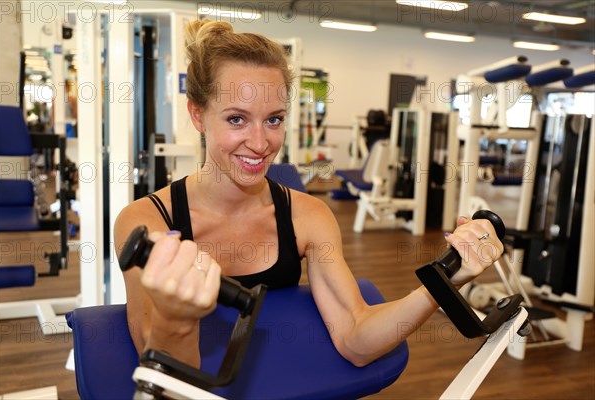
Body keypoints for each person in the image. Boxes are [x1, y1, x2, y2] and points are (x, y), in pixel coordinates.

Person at [114, 19, 503, 370]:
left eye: (274, 119)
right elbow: (163, 381)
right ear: (198, 115)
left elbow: (355, 338)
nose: (260, 142)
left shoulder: (308, 215)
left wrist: (448, 277)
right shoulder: (145, 225)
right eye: (236, 118)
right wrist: (176, 319)